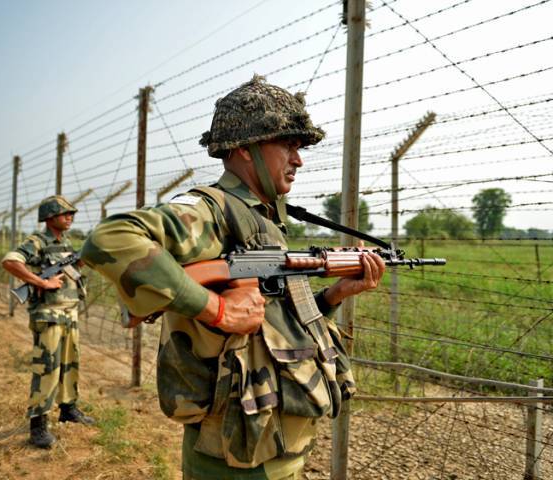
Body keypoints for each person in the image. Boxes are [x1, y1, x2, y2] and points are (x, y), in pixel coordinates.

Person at [81, 75, 385, 479]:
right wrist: (217, 309)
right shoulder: (209, 210)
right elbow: (110, 238)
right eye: (288, 145)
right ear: (245, 149)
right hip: (233, 459)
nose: (299, 160)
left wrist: (332, 296)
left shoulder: (263, 220)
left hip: (275, 448)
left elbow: (272, 329)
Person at [1, 195, 94, 449]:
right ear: (50, 216)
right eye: (65, 213)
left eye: (71, 213)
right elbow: (10, 261)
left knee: (70, 364)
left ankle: (68, 409)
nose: (70, 217)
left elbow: (75, 269)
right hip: (48, 315)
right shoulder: (37, 242)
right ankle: (38, 425)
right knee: (47, 368)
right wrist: (43, 282)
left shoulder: (65, 243)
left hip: (69, 312)